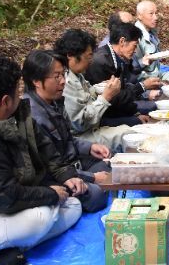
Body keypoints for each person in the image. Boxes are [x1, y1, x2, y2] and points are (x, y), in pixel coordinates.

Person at [0, 56, 82, 263]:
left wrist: (67, 175)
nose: (21, 94)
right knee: (41, 218)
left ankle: (6, 246)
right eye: (18, 90)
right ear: (5, 101)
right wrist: (50, 194)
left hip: (17, 200)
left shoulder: (18, 114)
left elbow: (47, 151)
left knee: (74, 206)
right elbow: (6, 197)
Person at [22, 50, 109, 213]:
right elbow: (51, 167)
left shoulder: (54, 102)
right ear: (36, 81)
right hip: (56, 176)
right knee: (98, 195)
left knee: (111, 167)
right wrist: (93, 178)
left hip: (73, 163)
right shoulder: (33, 117)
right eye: (57, 77)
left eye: (64, 75)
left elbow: (67, 138)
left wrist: (89, 147)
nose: (63, 82)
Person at [54, 29, 136, 151]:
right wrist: (106, 97)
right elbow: (79, 124)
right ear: (70, 55)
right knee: (128, 135)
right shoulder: (66, 80)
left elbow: (87, 93)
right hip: (80, 137)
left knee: (128, 130)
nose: (91, 60)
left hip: (92, 128)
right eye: (88, 56)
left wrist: (102, 88)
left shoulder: (76, 74)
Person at [85, 22, 155, 123]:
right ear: (122, 41)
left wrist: (136, 113)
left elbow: (122, 91)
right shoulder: (100, 61)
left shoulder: (118, 57)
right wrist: (142, 87)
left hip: (116, 109)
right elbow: (114, 98)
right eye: (134, 46)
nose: (135, 51)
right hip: (101, 117)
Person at [134, 0, 162, 82]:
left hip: (157, 75)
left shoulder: (152, 32)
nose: (156, 17)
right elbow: (133, 68)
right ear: (139, 16)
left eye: (156, 13)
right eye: (151, 14)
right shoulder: (135, 35)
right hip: (145, 82)